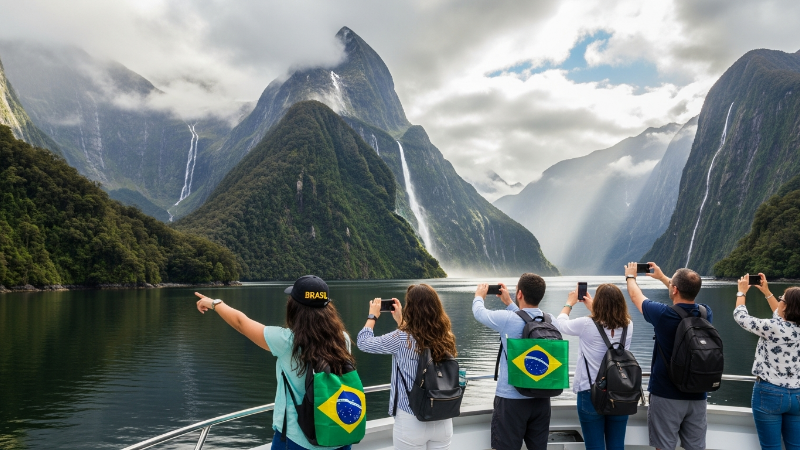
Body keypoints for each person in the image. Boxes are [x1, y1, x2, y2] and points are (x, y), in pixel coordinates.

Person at [194, 275, 355, 450]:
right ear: (328, 307)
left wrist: (214, 303)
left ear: (295, 307)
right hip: (337, 433)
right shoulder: (342, 339)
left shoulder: (287, 342)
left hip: (296, 439)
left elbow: (241, 322)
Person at [356, 284, 458, 450]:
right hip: (442, 416)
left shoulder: (401, 338)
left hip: (412, 419)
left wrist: (372, 317)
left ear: (411, 309)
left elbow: (363, 342)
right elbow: (421, 336)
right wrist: (400, 320)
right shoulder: (446, 336)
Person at [624, 262, 709, 450]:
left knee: (664, 447)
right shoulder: (705, 313)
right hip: (698, 394)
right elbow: (686, 292)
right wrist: (664, 279)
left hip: (666, 395)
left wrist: (630, 276)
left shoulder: (663, 315)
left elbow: (635, 295)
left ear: (675, 289)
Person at [473, 274, 554, 450]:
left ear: (520, 294)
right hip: (541, 400)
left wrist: (479, 295)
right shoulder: (549, 320)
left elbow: (479, 313)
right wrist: (510, 302)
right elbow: (525, 319)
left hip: (511, 400)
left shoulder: (507, 320)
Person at [556, 283, 633, 450]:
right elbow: (606, 323)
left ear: (598, 302)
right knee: (617, 446)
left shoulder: (585, 324)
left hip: (590, 393)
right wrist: (595, 308)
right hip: (620, 392)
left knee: (594, 447)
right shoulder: (628, 325)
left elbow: (560, 324)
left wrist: (570, 302)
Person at [733, 273, 800, 450]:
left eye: (781, 299)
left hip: (770, 393)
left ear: (787, 306)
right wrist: (767, 292)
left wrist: (741, 293)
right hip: (797, 396)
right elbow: (781, 316)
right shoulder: (788, 326)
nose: (780, 302)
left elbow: (741, 317)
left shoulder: (772, 328)